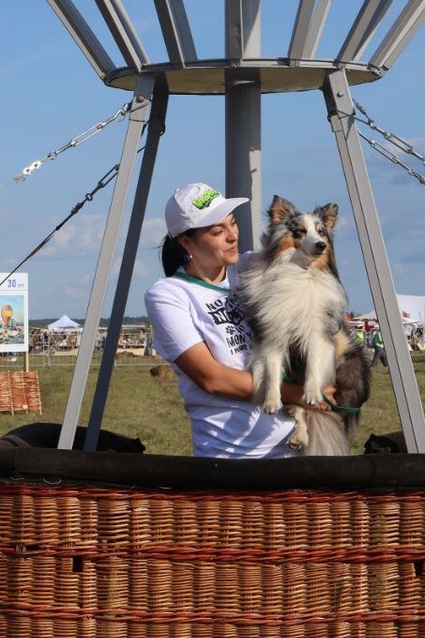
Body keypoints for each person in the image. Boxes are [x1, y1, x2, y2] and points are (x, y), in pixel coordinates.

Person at [144, 182, 335, 459]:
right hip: (232, 457)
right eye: (217, 231)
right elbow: (212, 379)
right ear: (186, 242)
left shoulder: (248, 268)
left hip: (298, 452)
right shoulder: (169, 295)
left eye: (232, 223)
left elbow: (297, 251)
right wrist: (297, 393)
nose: (233, 236)